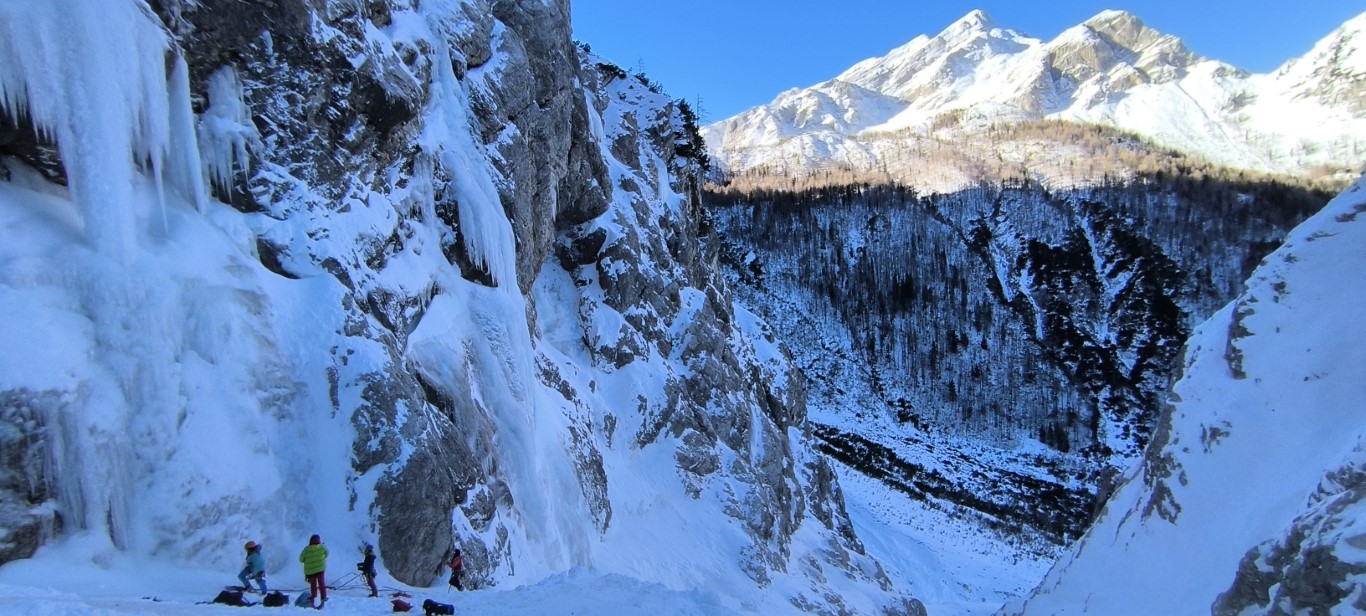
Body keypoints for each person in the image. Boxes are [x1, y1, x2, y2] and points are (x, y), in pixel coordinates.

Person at [298, 534, 329, 608]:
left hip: (310, 571)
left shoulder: (306, 549)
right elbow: (327, 554)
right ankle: (323, 597)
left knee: (313, 585)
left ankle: (313, 597)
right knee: (321, 583)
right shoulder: (322, 547)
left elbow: (301, 559)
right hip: (320, 569)